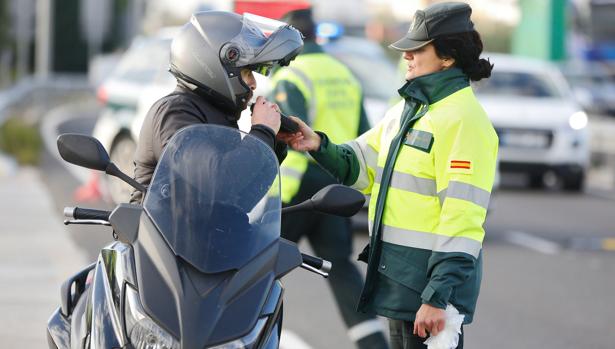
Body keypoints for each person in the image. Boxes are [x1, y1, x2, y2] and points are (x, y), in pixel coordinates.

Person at [280, 2, 498, 348]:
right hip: (399, 284)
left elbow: (463, 219)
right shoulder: (408, 110)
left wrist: (437, 297)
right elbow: (360, 166)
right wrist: (318, 144)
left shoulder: (464, 120)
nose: (407, 55)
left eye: (418, 48)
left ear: (447, 57)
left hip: (428, 296)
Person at [269, 7, 390, 349]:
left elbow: (286, 136)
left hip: (294, 194)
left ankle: (236, 336)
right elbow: (365, 136)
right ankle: (374, 344)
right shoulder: (344, 74)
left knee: (258, 268)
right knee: (341, 269)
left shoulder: (291, 76)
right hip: (334, 189)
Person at [131, 11, 303, 203]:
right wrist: (262, 131)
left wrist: (272, 143)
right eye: (247, 72)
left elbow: (240, 199)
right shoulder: (175, 112)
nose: (253, 84)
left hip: (208, 232)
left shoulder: (218, 115)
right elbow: (219, 183)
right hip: (166, 232)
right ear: (215, 64)